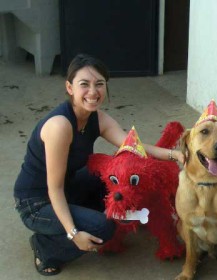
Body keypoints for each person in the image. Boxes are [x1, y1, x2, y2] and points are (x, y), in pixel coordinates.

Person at [13, 53, 184, 276]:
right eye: (84, 84)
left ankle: (76, 219)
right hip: (36, 202)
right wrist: (73, 233)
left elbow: (134, 146)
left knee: (110, 179)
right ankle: (46, 247)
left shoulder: (97, 118)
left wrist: (176, 155)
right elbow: (53, 189)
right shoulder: (59, 126)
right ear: (70, 87)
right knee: (103, 228)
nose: (93, 92)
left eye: (99, 84)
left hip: (68, 186)